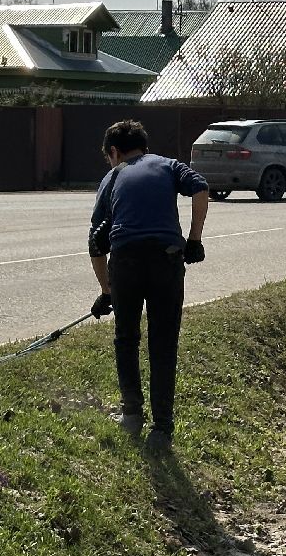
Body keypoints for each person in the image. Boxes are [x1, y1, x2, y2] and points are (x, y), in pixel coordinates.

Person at [88, 119, 209, 444]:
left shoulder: (112, 177)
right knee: (163, 344)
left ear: (113, 152)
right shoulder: (169, 165)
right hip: (167, 260)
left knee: (126, 339)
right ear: (144, 146)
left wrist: (106, 291)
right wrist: (194, 239)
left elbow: (96, 241)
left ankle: (132, 415)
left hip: (126, 262)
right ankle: (162, 429)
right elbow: (200, 187)